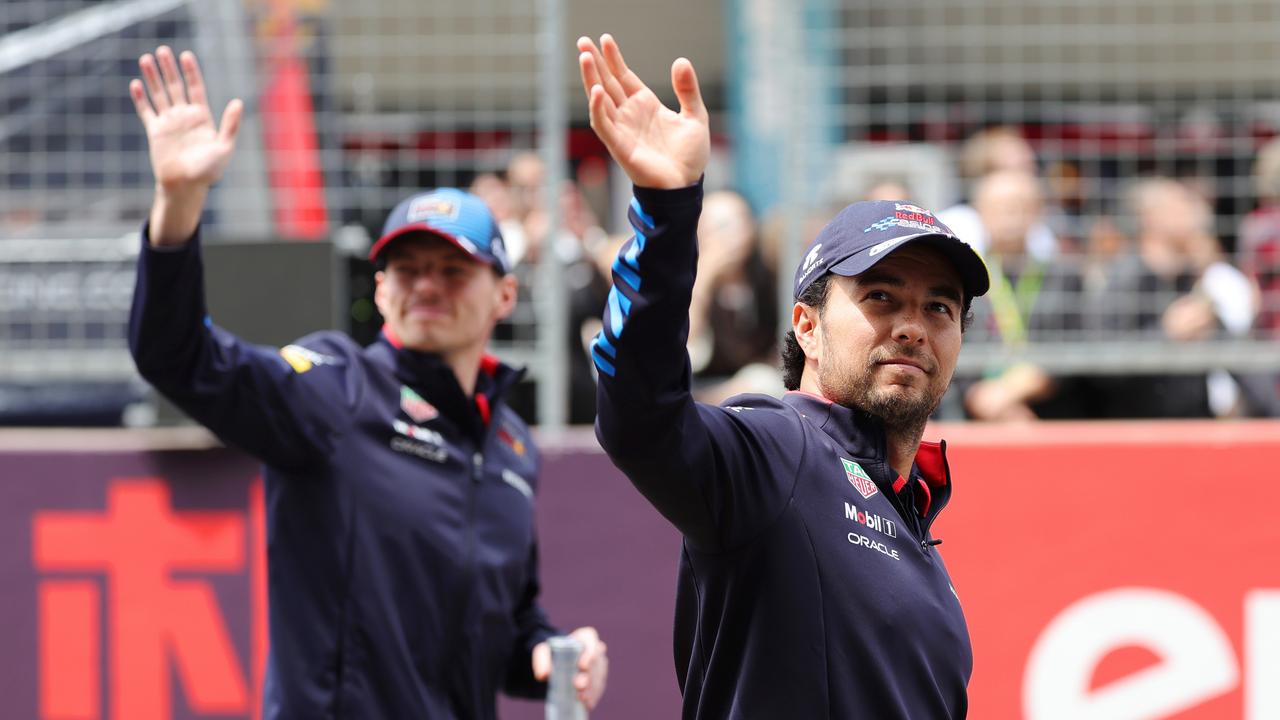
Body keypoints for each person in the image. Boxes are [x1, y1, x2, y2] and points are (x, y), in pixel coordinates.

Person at [125, 46, 607, 718]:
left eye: (452, 269)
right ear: (380, 291)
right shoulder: (336, 387)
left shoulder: (511, 444)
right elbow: (177, 357)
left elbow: (501, 629)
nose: (427, 286)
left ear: (503, 296)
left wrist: (552, 651)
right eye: (407, 269)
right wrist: (177, 206)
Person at [577, 34, 989, 718]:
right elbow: (640, 416)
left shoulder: (916, 527)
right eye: (881, 297)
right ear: (806, 326)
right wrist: (667, 213)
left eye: (939, 306)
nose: (913, 325)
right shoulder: (776, 449)